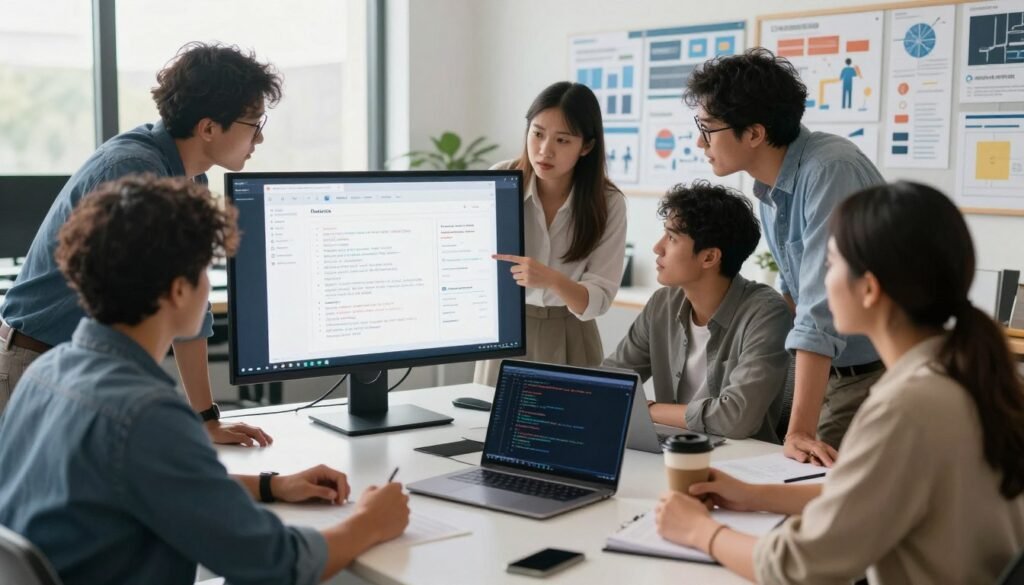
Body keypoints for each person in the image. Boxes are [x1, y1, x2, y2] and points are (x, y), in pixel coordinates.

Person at [0, 175, 411, 585]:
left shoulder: (43, 373)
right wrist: (370, 522)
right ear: (179, 290)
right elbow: (277, 564)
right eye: (204, 271)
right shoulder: (146, 415)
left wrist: (273, 486)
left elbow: (150, 482)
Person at [653, 182, 1024, 585]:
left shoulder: (908, 407)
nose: (819, 286)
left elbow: (798, 566)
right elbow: (864, 498)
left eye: (828, 265)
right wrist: (750, 494)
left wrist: (699, 531)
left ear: (869, 289)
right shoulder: (957, 373)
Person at [0, 42, 278, 446]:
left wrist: (206, 418)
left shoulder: (188, 176)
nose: (261, 139)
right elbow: (130, 309)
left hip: (75, 366)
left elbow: (190, 318)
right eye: (254, 123)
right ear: (208, 128)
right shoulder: (132, 173)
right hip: (37, 363)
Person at [685, 48, 886, 465]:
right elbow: (793, 294)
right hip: (828, 374)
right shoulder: (771, 188)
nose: (699, 142)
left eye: (708, 129)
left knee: (813, 491)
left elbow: (819, 310)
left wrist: (799, 431)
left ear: (754, 133)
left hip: (867, 377)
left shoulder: (829, 171)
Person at [603, 181, 790, 442]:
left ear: (709, 258)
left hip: (741, 458)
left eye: (672, 237)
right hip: (672, 447)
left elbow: (736, 419)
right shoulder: (663, 304)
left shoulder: (766, 313)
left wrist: (649, 410)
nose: (658, 247)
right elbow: (608, 382)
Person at [474, 81, 627, 386]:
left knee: (572, 429)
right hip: (506, 329)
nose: (545, 150)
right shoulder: (499, 179)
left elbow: (598, 300)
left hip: (572, 335)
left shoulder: (608, 202)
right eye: (538, 134)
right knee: (488, 427)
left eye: (562, 140)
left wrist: (551, 279)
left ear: (586, 146)